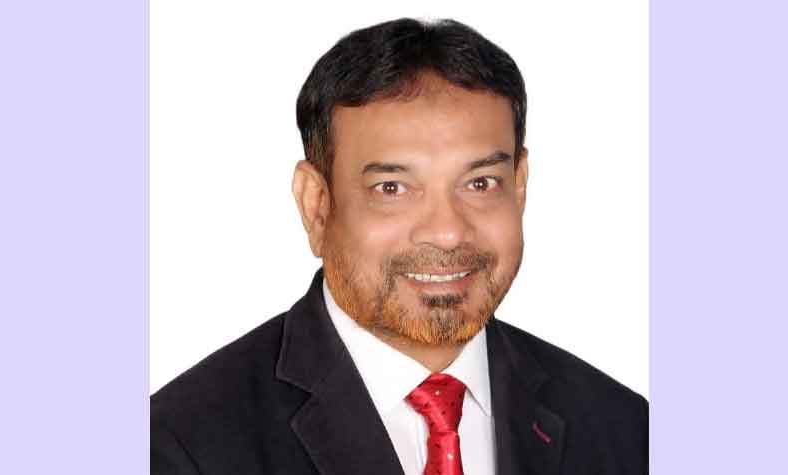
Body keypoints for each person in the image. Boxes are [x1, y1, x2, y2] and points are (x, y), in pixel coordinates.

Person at [151, 17, 648, 475]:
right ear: (316, 205)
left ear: (520, 187)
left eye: (480, 183)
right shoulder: (180, 445)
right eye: (392, 188)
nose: (447, 232)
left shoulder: (626, 430)